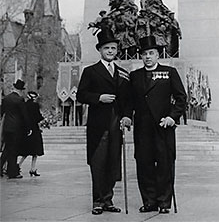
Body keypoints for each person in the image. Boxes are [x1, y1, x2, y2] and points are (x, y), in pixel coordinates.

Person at [126, 35, 187, 214]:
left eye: (151, 53)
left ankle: (164, 202)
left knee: (165, 164)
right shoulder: (134, 76)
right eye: (144, 54)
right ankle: (149, 201)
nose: (147, 57)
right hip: (143, 129)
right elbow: (129, 101)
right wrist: (127, 116)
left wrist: (172, 117)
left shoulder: (169, 72)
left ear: (158, 54)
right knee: (144, 165)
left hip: (163, 127)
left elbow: (181, 99)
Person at [76, 28, 132, 215]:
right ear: (100, 49)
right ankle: (98, 201)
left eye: (113, 48)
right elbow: (81, 95)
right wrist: (98, 97)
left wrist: (127, 116)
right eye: (107, 48)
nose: (110, 51)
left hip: (116, 123)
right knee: (98, 162)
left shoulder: (123, 73)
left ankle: (108, 200)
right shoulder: (91, 71)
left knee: (112, 162)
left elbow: (127, 99)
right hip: (98, 125)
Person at [1, 79, 31, 179]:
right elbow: (24, 115)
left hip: (7, 127)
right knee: (13, 150)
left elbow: (2, 112)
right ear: (21, 90)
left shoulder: (6, 99)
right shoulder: (19, 100)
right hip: (16, 128)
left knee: (6, 149)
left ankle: (0, 167)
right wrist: (28, 128)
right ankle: (12, 172)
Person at [18, 91, 44, 177]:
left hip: (25, 130)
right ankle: (32, 169)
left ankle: (18, 166)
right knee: (35, 151)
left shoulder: (24, 105)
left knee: (26, 151)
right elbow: (38, 117)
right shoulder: (35, 106)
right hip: (34, 129)